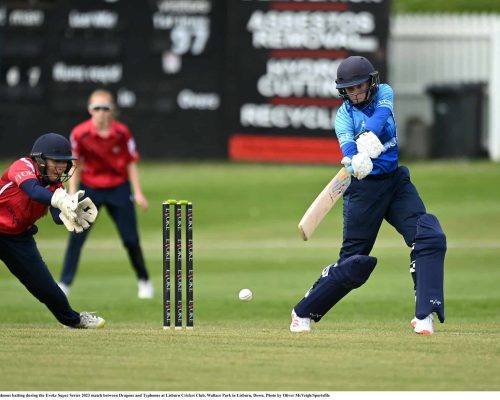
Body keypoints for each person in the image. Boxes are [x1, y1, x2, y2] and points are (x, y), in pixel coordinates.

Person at [290, 56, 446, 335]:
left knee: (429, 236)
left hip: (396, 183)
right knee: (353, 264)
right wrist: (354, 160)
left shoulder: (384, 91)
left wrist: (369, 140)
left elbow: (381, 117)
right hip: (364, 191)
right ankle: (303, 312)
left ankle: (424, 315)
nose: (355, 93)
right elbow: (348, 147)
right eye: (348, 89)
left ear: (370, 82)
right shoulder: (343, 116)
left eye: (359, 86)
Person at [0, 133, 105, 328]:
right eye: (56, 161)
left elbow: (58, 215)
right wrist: (58, 200)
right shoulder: (22, 166)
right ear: (40, 159)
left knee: (47, 289)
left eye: (65, 162)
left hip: (18, 238)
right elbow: (33, 190)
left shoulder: (56, 187)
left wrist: (72, 213)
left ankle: (73, 321)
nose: (61, 167)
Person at [58, 89, 154, 299]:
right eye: (97, 108)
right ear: (90, 110)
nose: (101, 113)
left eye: (105, 108)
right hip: (91, 188)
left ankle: (144, 280)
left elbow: (131, 163)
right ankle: (64, 284)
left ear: (112, 110)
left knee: (130, 239)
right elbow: (75, 164)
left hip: (118, 188)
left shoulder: (122, 133)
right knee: (77, 237)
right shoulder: (79, 133)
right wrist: (72, 192)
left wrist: (138, 193)